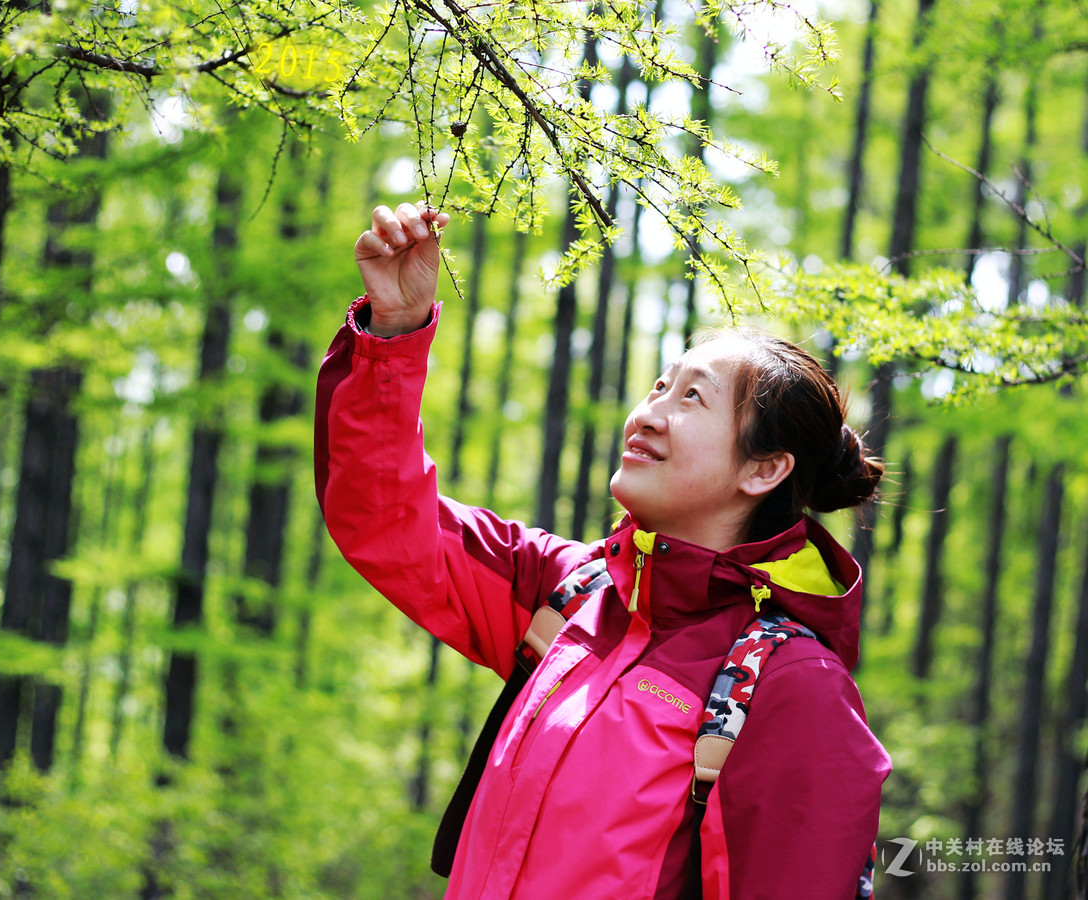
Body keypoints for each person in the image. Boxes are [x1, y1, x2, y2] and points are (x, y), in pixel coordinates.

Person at [314, 202, 892, 899]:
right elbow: (383, 520)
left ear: (764, 469)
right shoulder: (572, 594)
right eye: (659, 386)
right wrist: (395, 333)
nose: (648, 414)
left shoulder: (792, 688)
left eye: (692, 400)